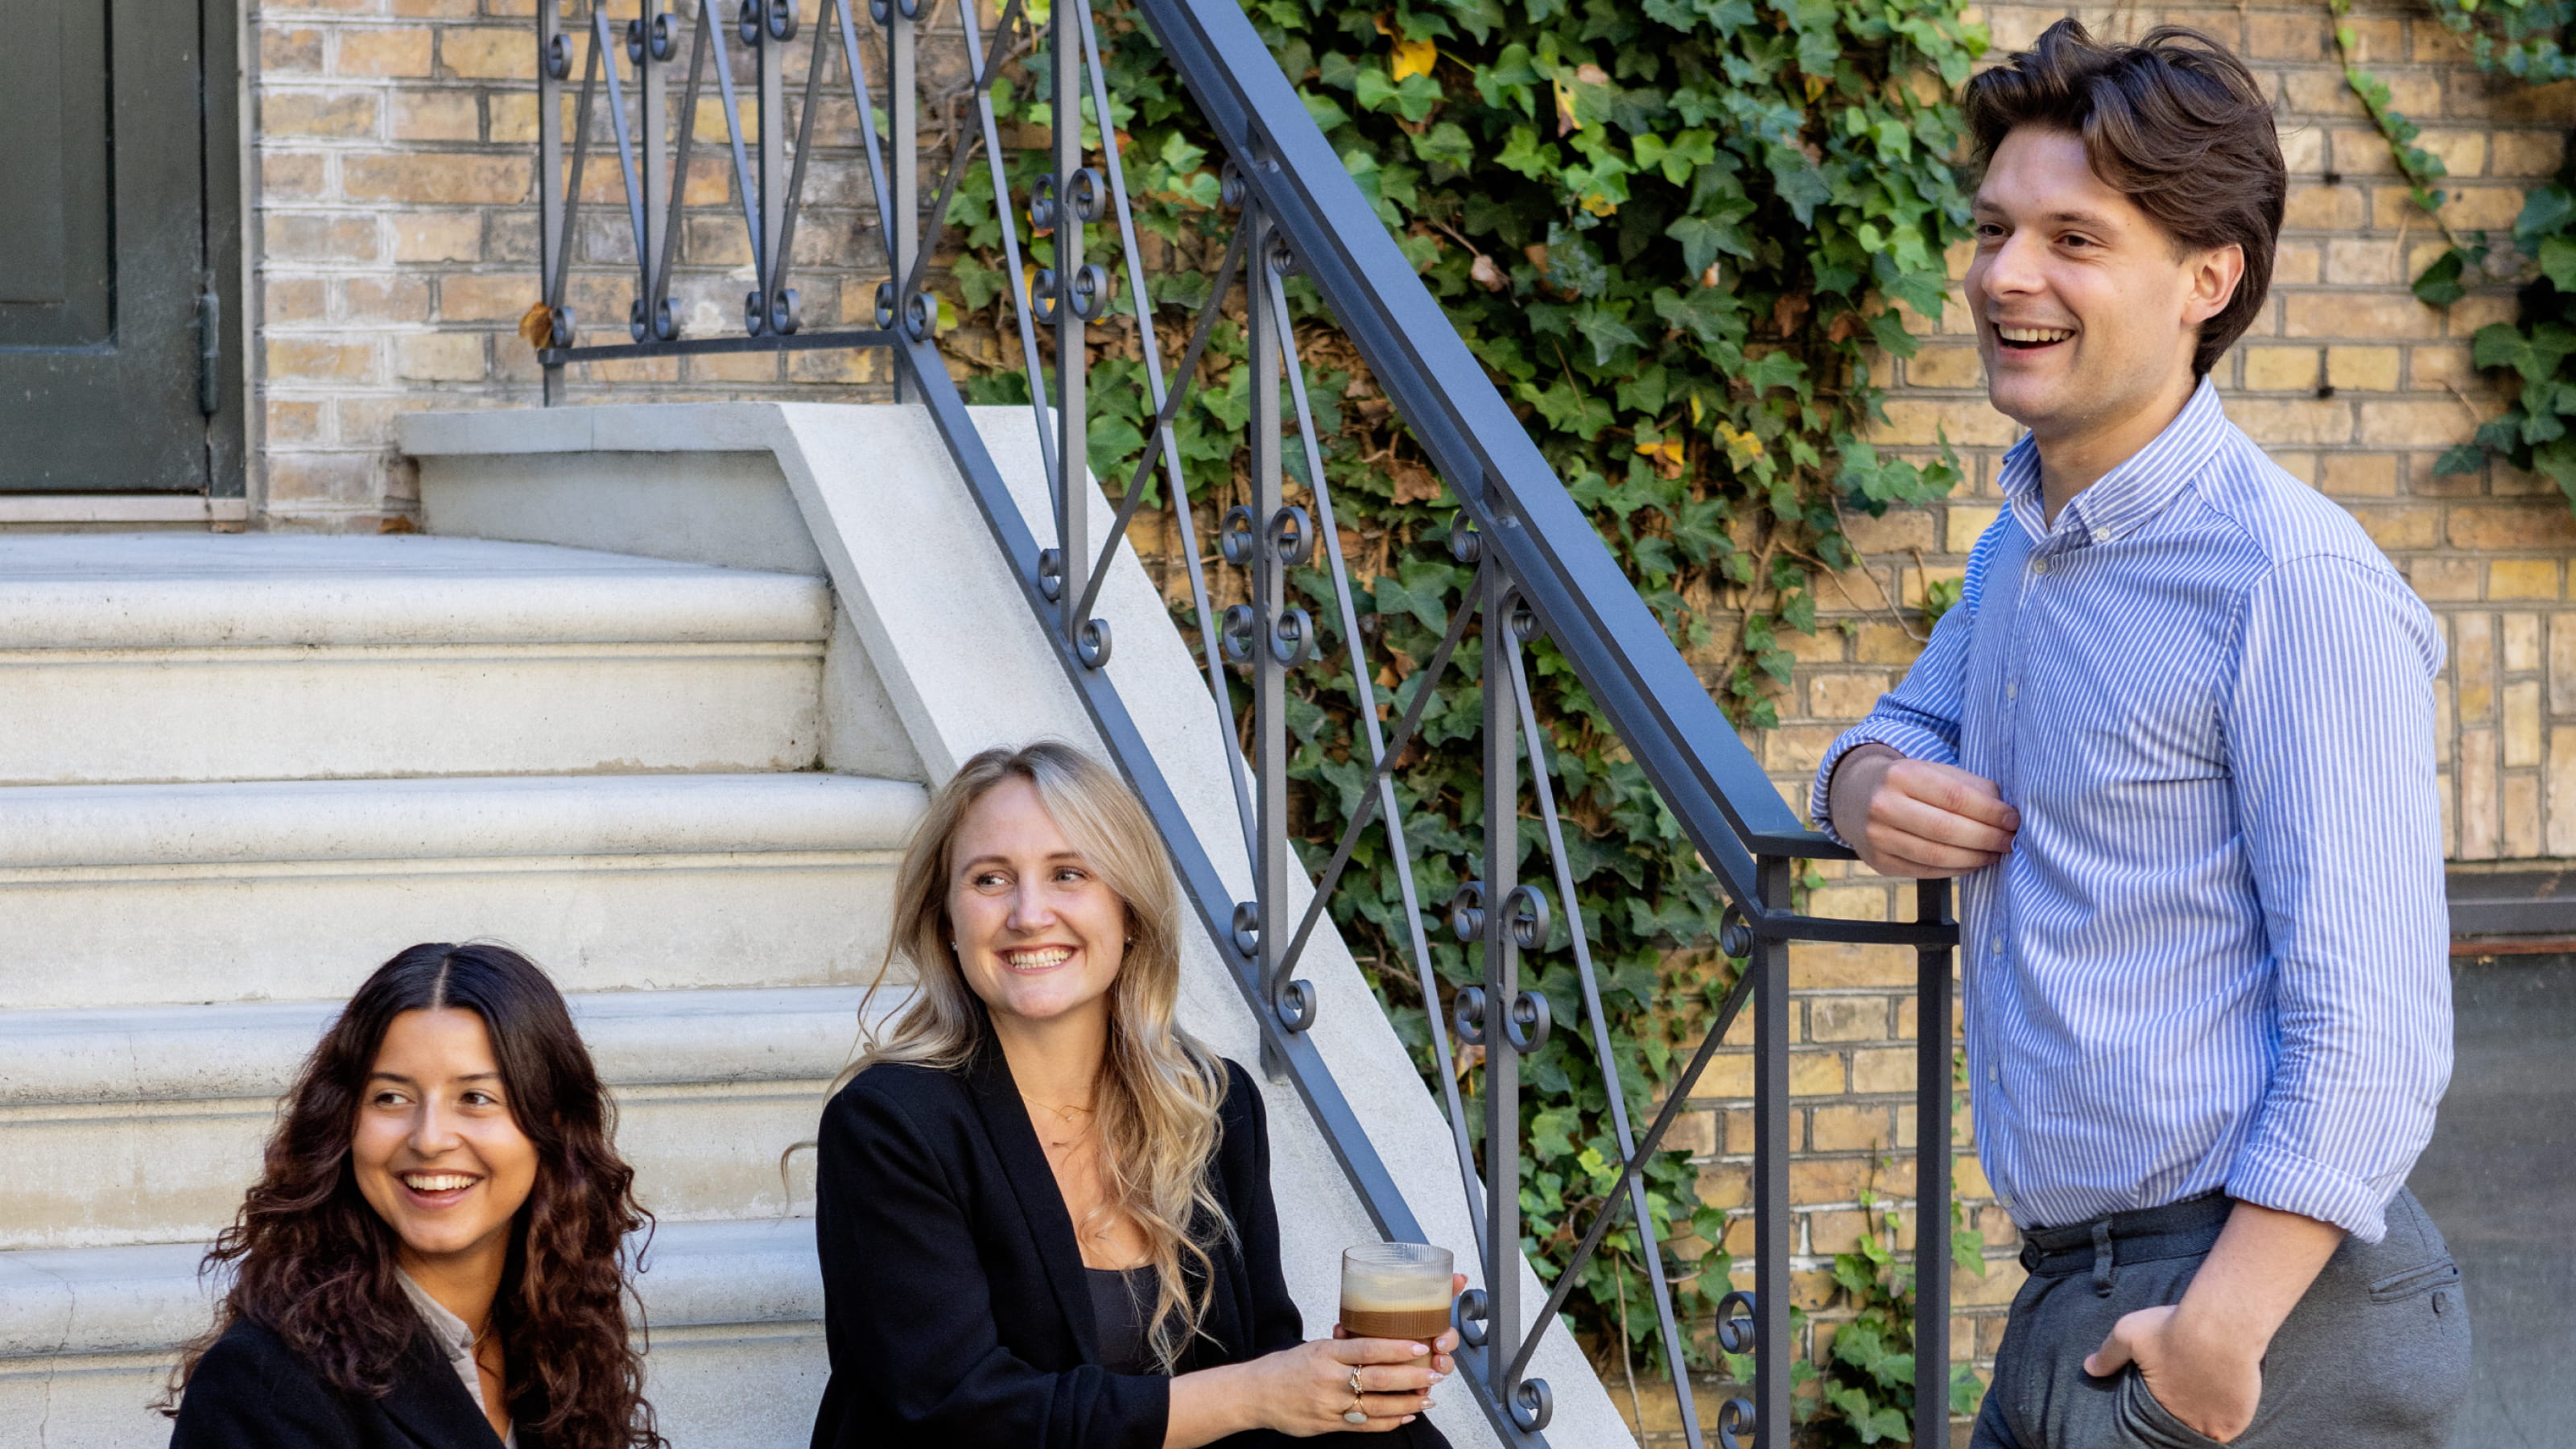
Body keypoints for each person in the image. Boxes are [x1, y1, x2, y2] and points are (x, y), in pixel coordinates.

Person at [1813, 22, 2471, 1449]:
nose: (2004, 276)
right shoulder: (2024, 551)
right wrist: (1863, 788)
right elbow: (1901, 727)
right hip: (2076, 1291)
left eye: (2073, 237)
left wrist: (2219, 1339)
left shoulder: (2291, 582)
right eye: (1992, 230)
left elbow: (2378, 1026)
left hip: (2259, 1303)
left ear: (2207, 280)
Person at [807, 741, 1459, 1448]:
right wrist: (1257, 1394)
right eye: (991, 880)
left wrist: (1344, 1377)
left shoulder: (1213, 1104)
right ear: (947, 923)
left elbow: (1260, 1359)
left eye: (1068, 873)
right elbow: (960, 1412)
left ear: (1130, 912)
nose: (1029, 914)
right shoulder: (890, 1124)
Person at [164, 943, 663, 1449]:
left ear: (552, 1127)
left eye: (476, 1098)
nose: (429, 1139)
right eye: (391, 1098)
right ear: (344, 1124)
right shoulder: (263, 1382)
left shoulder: (556, 1341)